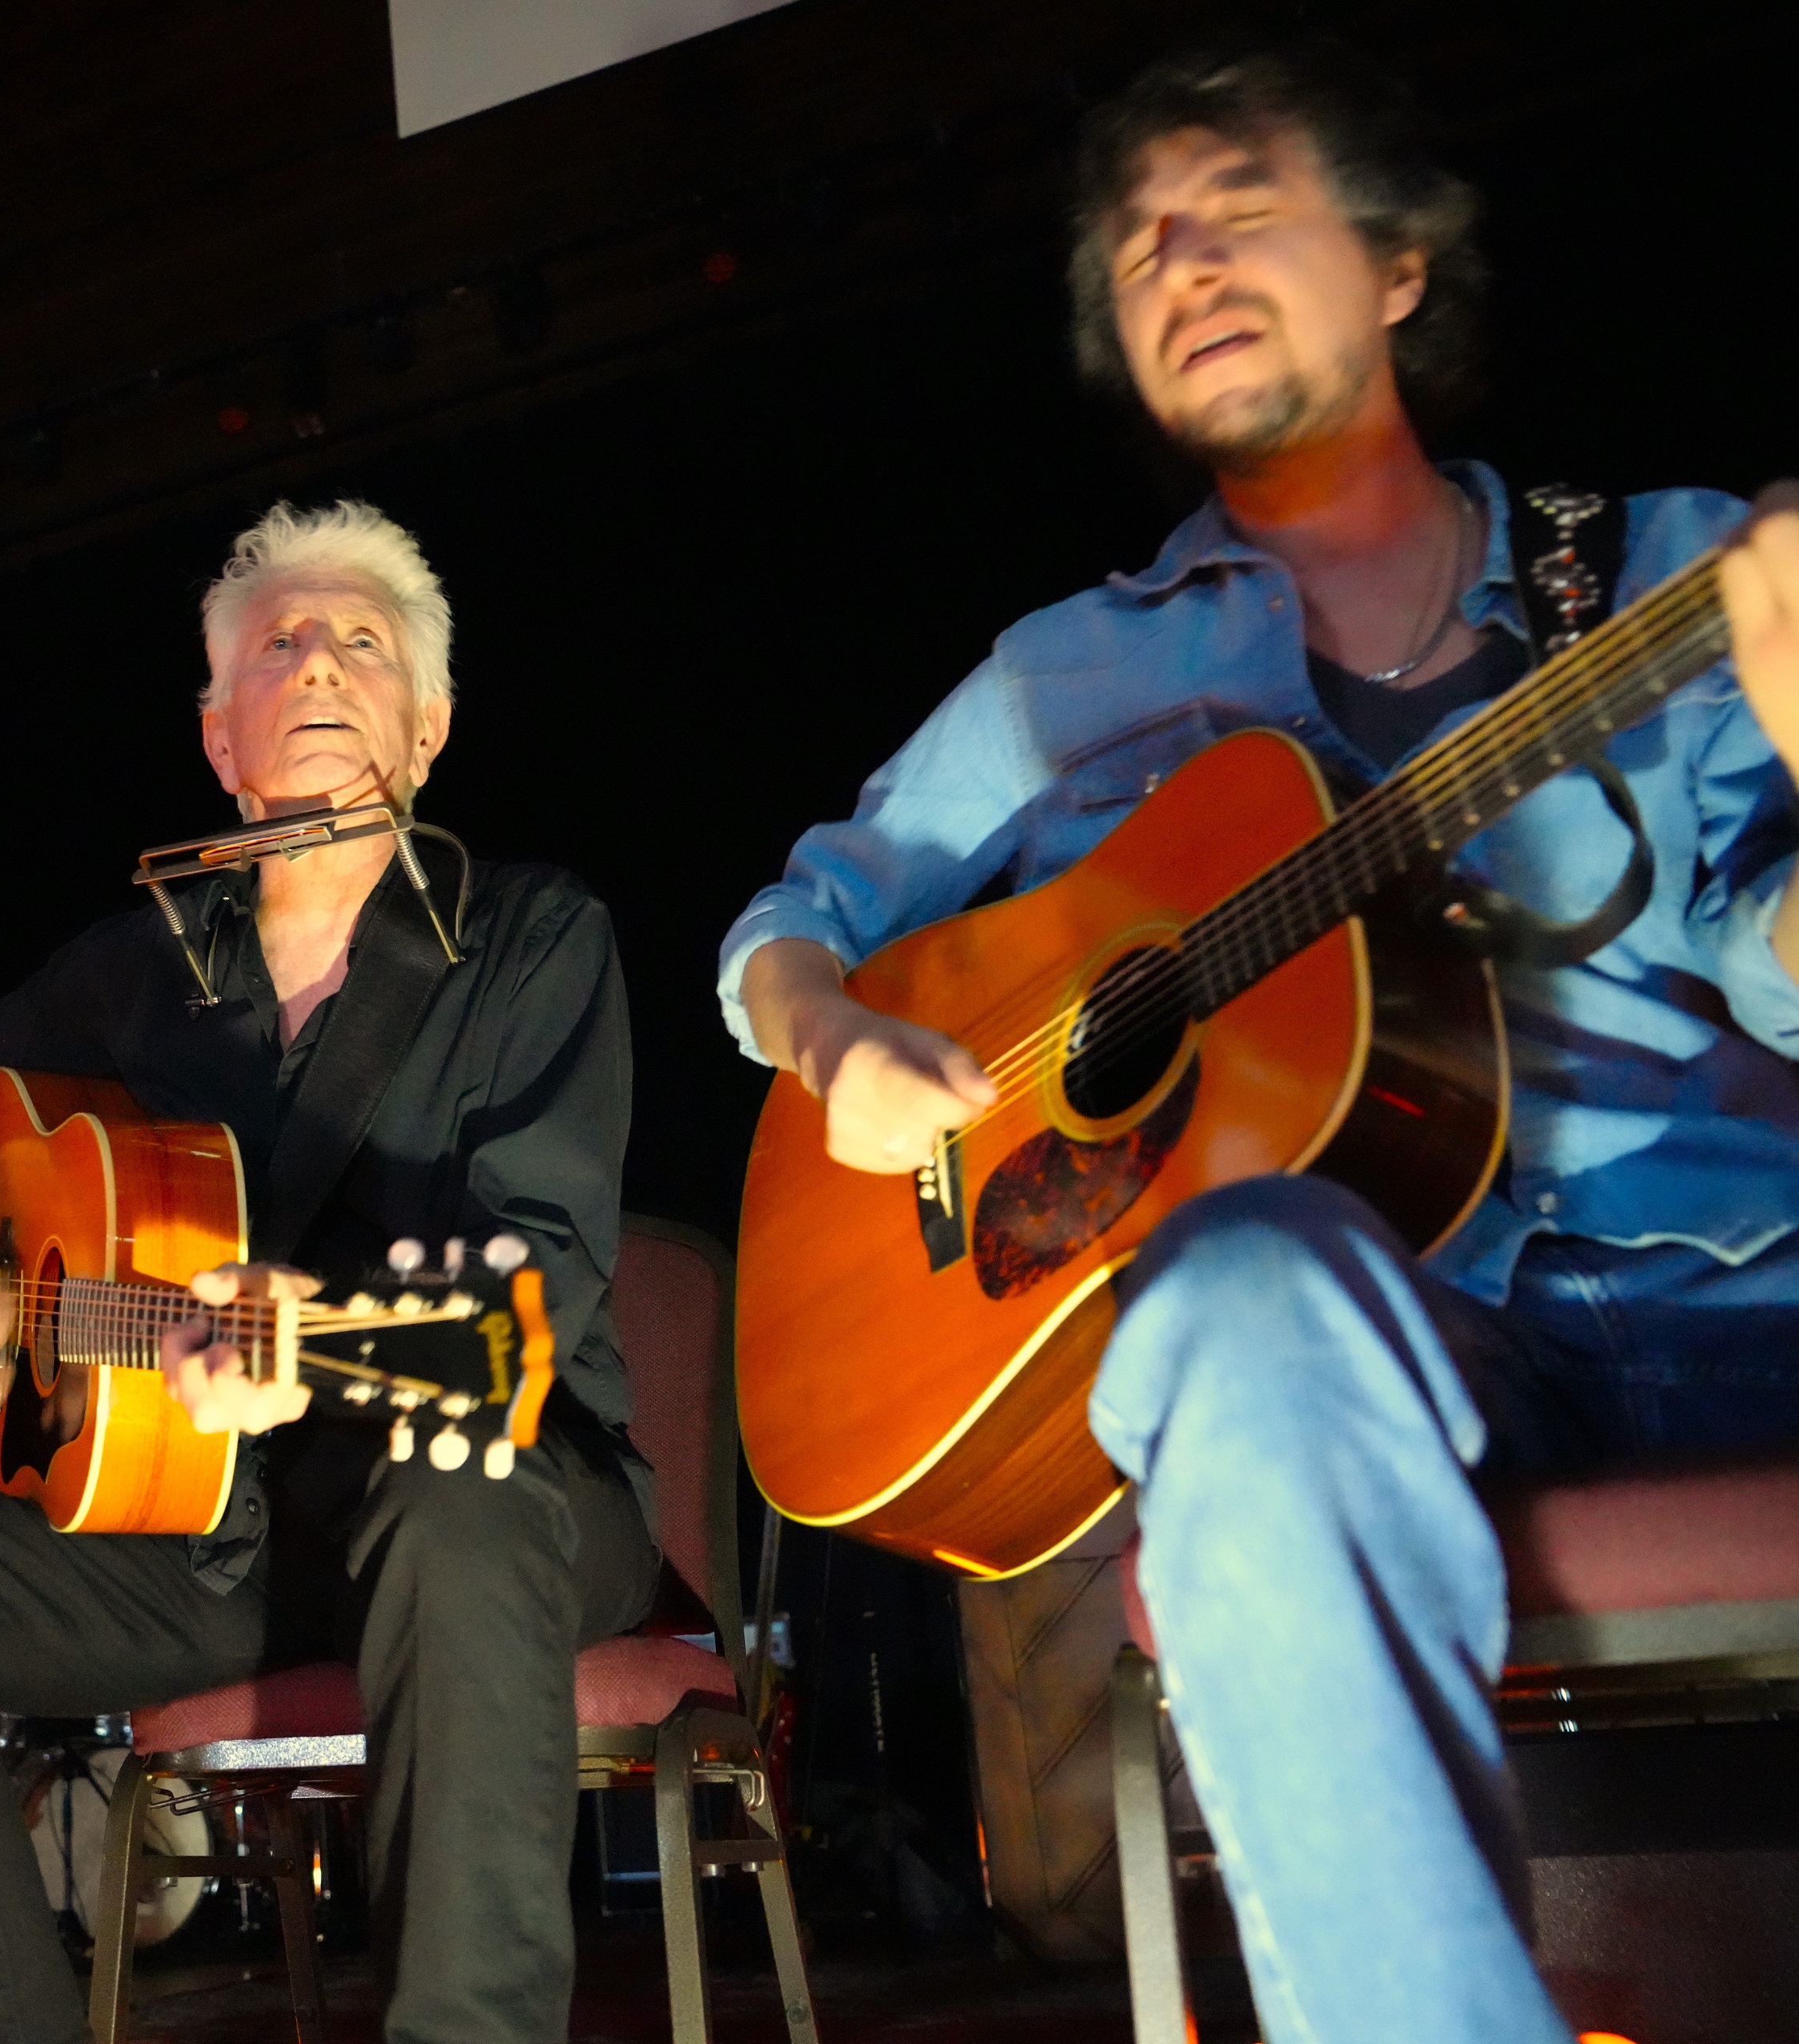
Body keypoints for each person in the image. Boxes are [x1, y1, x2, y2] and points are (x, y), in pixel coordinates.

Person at [717, 42, 1799, 2044]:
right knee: (1219, 1305)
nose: (1180, 257)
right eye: (1137, 249)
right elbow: (803, 917)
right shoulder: (1072, 675)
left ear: (1396, 263)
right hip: (1388, 1327)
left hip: (1756, 1280)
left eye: (1237, 204)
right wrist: (830, 1042)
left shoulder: (1674, 574)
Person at [0, 500, 656, 2044]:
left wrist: (321, 1326)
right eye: (276, 645)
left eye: (359, 644)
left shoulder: (528, 938)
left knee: (456, 1504)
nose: (315, 665)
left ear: (427, 727)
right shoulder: (139, 968)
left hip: (497, 1489)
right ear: (217, 737)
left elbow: (542, 1273)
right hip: (217, 1539)